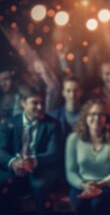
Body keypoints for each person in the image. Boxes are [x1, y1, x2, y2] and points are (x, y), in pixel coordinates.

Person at [0, 83, 61, 215]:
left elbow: (54, 153)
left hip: (40, 169)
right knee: (3, 182)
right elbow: (1, 150)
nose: (40, 107)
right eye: (34, 103)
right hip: (15, 168)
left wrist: (34, 161)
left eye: (42, 103)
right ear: (23, 103)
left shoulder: (52, 125)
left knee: (39, 186)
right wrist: (13, 162)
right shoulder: (10, 123)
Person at [65, 98, 110, 215]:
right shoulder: (73, 139)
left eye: (101, 114)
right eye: (92, 114)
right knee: (80, 205)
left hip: (107, 186)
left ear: (106, 118)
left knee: (97, 204)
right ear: (85, 117)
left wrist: (99, 184)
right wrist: (84, 186)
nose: (96, 118)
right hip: (80, 184)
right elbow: (70, 172)